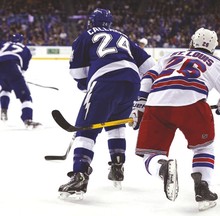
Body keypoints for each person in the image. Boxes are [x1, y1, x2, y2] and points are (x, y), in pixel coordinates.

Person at [129, 27, 220, 211]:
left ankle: (162, 168)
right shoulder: (218, 62)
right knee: (203, 147)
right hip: (193, 103)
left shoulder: (172, 55)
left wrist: (140, 105)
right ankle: (203, 188)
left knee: (150, 154)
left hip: (157, 102)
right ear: (213, 48)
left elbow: (149, 77)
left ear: (192, 42)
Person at [58, 8, 155, 199]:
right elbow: (150, 66)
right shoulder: (124, 37)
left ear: (91, 22)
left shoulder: (85, 36)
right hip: (132, 83)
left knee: (85, 130)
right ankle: (117, 166)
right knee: (117, 124)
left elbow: (77, 72)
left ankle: (80, 175)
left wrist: (86, 85)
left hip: (105, 81)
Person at [0, 33, 41, 128]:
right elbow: (24, 68)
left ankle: (3, 110)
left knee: (5, 88)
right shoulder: (25, 48)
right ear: (22, 40)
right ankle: (28, 120)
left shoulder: (4, 44)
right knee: (26, 97)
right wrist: (18, 77)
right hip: (12, 67)